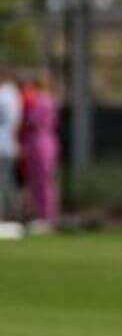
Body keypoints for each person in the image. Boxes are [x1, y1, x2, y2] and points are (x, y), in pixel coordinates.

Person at [18, 69, 60, 225]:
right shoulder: (42, 99)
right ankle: (40, 214)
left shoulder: (44, 100)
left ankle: (47, 216)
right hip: (35, 141)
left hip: (41, 141)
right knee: (36, 181)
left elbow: (33, 121)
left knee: (44, 180)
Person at [0, 68, 20, 220]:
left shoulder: (7, 95)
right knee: (7, 180)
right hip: (6, 143)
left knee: (5, 180)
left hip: (4, 143)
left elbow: (12, 121)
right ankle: (10, 214)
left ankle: (9, 215)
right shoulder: (10, 94)